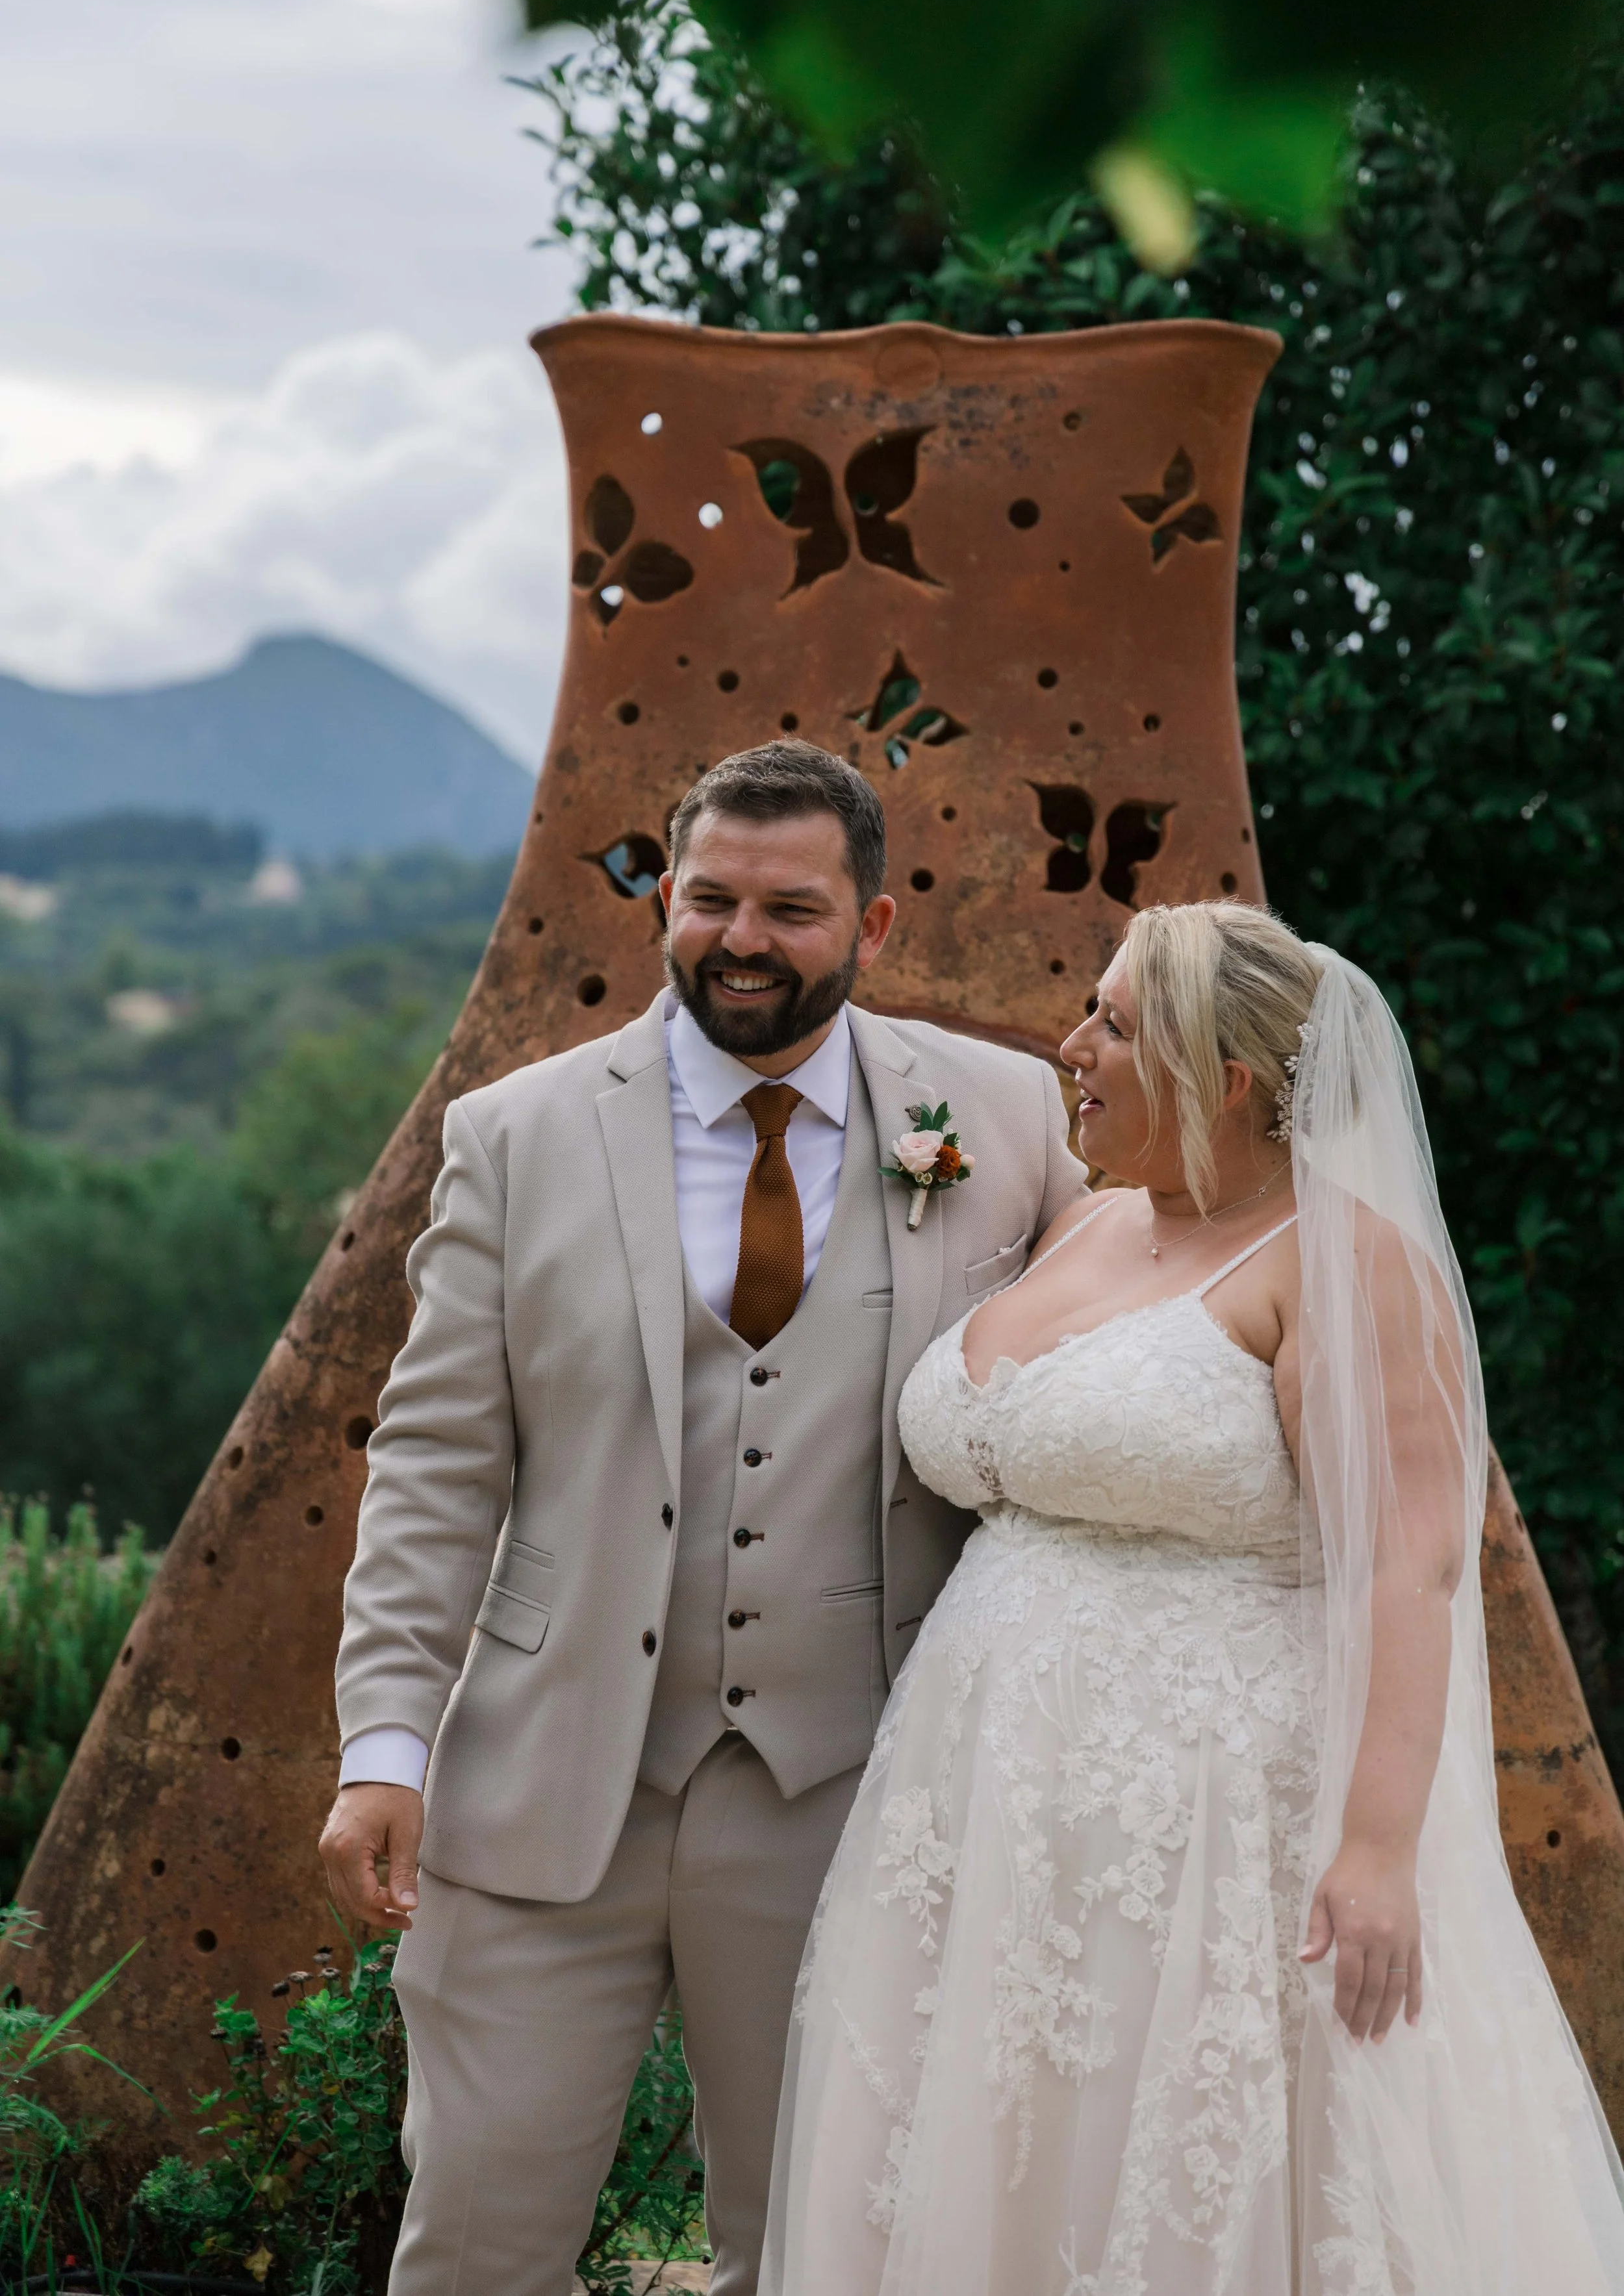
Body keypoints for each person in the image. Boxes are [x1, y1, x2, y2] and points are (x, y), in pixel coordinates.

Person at [763, 899, 1624, 2296]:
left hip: (1212, 1824)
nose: (1070, 1044)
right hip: (981, 1804)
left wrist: (1376, 1850)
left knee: (1190, 2171)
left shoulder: (1343, 1268)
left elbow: (1406, 1565)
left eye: (1109, 1020)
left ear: (1220, 1077)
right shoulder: (1089, 1225)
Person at [319, 738, 1087, 2295]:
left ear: (872, 928)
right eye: (709, 899)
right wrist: (383, 1745)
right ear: (666, 898)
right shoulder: (515, 1136)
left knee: (814, 2247)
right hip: (540, 1785)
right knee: (473, 2238)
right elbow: (435, 1464)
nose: (740, 939)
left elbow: (1113, 1347)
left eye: (789, 909)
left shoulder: (1000, 1119)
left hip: (847, 1791)